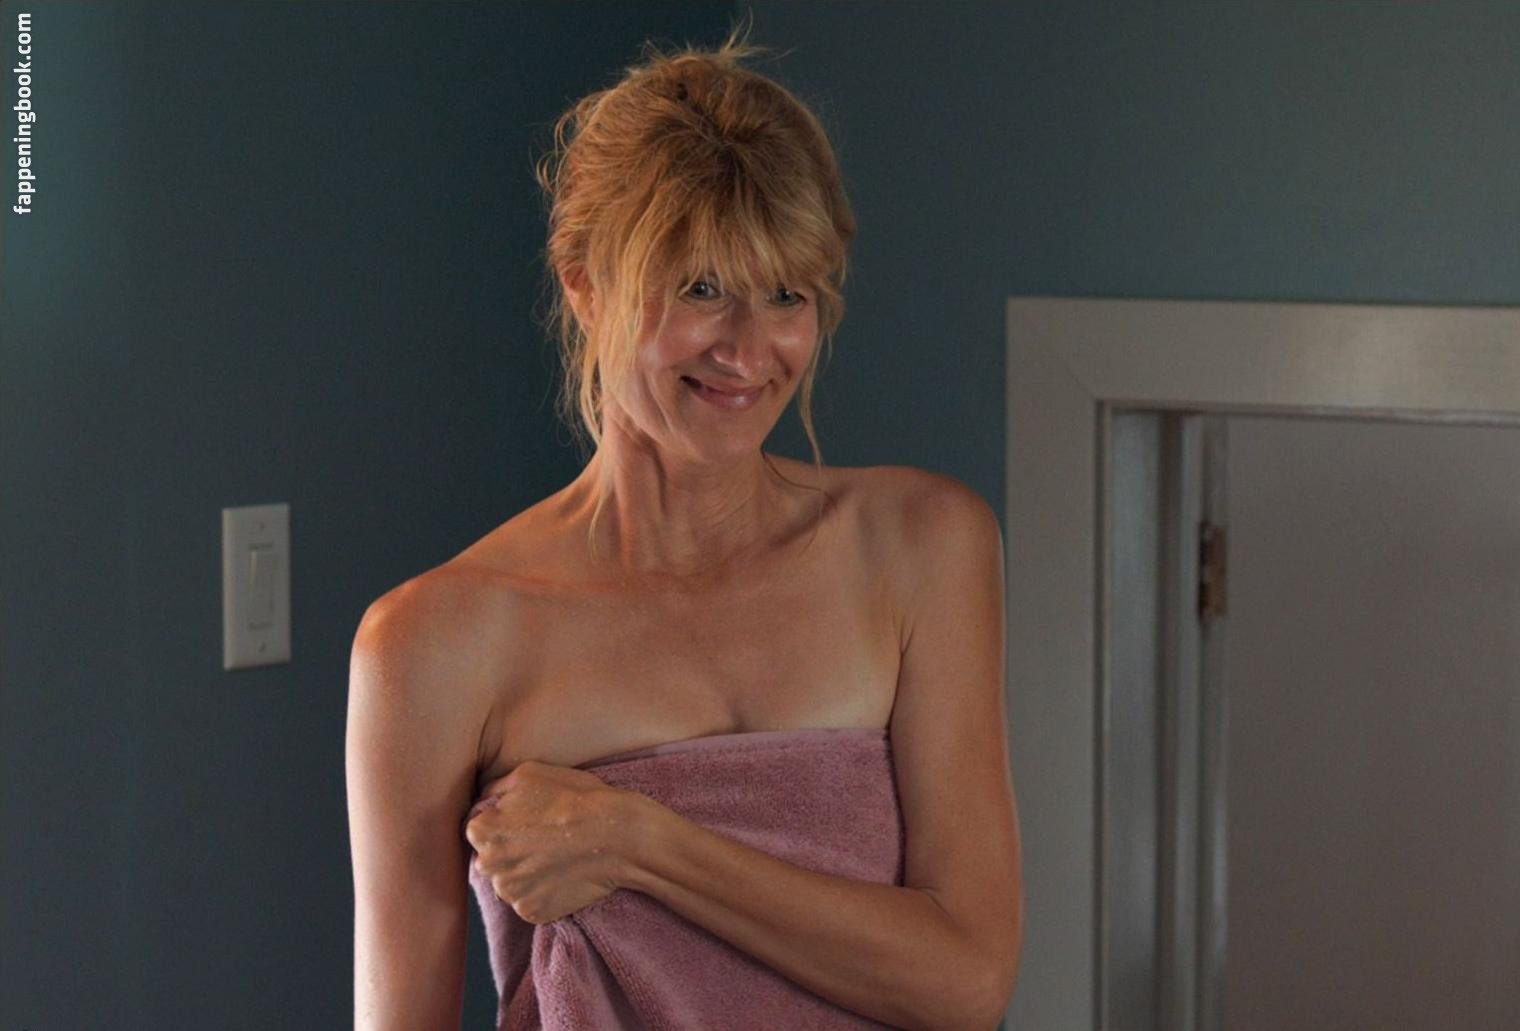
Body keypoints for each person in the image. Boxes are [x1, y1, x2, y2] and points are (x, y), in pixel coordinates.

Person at [345, 23, 1021, 1031]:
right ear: (583, 283)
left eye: (786, 294)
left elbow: (966, 982)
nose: (748, 351)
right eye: (701, 288)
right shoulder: (434, 643)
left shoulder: (922, 548)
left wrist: (637, 842)